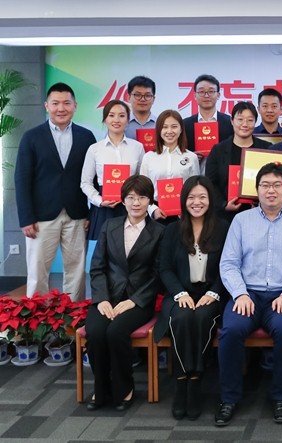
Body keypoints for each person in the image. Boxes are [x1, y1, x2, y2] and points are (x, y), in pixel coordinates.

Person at [215, 163, 282, 427]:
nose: (271, 190)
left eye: (277, 185)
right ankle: (228, 398)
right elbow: (229, 263)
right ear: (256, 189)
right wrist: (240, 294)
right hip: (247, 294)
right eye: (265, 185)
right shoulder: (241, 221)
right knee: (231, 331)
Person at [85, 175, 164, 411]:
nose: (136, 203)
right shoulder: (109, 226)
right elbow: (97, 267)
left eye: (142, 197)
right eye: (130, 197)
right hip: (107, 297)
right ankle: (101, 388)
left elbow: (158, 274)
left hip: (139, 301)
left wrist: (134, 301)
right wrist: (101, 299)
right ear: (123, 200)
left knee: (116, 331)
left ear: (150, 201)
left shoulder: (160, 232)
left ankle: (124, 388)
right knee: (96, 332)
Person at [154, 175, 229, 420]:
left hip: (211, 293)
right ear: (184, 200)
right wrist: (180, 293)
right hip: (180, 293)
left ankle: (195, 381)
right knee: (183, 318)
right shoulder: (172, 230)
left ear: (211, 200)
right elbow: (164, 268)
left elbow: (230, 266)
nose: (197, 202)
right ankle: (182, 381)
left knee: (202, 318)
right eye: (191, 197)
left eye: (202, 197)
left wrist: (214, 292)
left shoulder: (223, 228)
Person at [15, 82, 97, 299]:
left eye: (66, 103)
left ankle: (73, 316)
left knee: (76, 271)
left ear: (75, 106)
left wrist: (92, 214)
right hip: (40, 217)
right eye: (55, 103)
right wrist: (26, 218)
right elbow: (22, 179)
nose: (61, 108)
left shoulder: (86, 137)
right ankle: (36, 318)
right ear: (47, 106)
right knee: (37, 272)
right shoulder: (31, 137)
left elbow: (94, 179)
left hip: (77, 214)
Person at [81, 100, 145, 241]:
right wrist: (99, 200)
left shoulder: (137, 147)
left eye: (121, 115)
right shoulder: (95, 149)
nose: (116, 120)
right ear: (105, 119)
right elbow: (85, 183)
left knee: (132, 248)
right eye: (111, 115)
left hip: (131, 208)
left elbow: (142, 180)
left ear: (128, 120)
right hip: (104, 210)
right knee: (102, 250)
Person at [205, 101, 272, 223]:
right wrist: (224, 204)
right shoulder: (218, 150)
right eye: (240, 119)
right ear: (232, 121)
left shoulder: (267, 149)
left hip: (261, 214)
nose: (245, 124)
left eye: (250, 120)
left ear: (255, 122)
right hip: (225, 217)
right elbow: (210, 183)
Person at [140, 110, 200, 223]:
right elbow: (142, 190)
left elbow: (195, 189)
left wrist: (187, 209)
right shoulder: (149, 157)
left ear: (181, 129)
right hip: (156, 214)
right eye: (165, 127)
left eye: (174, 127)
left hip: (183, 214)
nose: (169, 131)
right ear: (159, 130)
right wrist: (153, 210)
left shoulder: (191, 157)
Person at [183, 74, 234, 157]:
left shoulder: (230, 123)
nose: (206, 95)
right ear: (195, 96)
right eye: (201, 92)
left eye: (211, 91)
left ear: (218, 95)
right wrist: (191, 157)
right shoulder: (185, 125)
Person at [124, 75, 157, 139]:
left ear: (153, 99)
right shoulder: (120, 124)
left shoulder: (161, 124)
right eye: (137, 95)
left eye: (147, 95)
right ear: (128, 97)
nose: (142, 99)